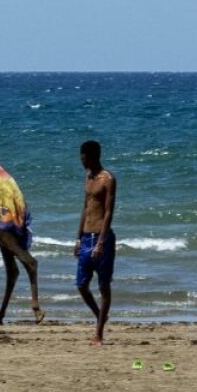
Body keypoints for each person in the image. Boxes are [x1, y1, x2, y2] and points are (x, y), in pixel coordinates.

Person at [75, 138, 117, 344]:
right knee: (81, 285)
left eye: (83, 158)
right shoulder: (88, 177)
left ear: (92, 157)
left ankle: (99, 333)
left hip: (102, 237)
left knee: (103, 286)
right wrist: (77, 238)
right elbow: (85, 207)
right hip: (86, 236)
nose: (81, 162)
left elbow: (108, 212)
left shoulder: (108, 179)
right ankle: (101, 315)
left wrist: (101, 242)